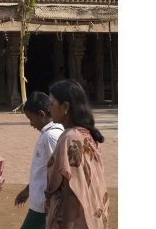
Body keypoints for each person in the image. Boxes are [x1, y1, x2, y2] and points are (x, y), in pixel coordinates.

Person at [45, 79, 109, 229]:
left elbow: (72, 192)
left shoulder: (70, 138)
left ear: (65, 106)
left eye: (52, 104)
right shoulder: (86, 133)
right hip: (93, 214)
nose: (49, 109)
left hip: (77, 221)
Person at [15, 91, 64, 229]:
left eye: (31, 119)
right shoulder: (48, 135)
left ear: (42, 114)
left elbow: (60, 170)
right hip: (40, 201)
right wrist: (28, 190)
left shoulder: (51, 136)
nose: (31, 124)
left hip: (44, 204)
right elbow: (43, 170)